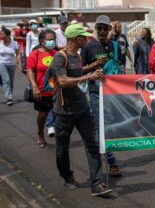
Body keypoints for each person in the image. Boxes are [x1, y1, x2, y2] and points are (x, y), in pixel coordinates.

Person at [50, 24, 112, 196]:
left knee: (92, 145)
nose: (86, 39)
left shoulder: (76, 56)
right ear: (75, 39)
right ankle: (67, 176)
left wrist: (93, 66)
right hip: (64, 112)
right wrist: (89, 76)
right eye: (84, 37)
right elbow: (62, 81)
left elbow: (77, 71)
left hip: (82, 108)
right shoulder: (59, 57)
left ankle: (97, 184)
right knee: (62, 149)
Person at [81, 15, 122, 177]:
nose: (102, 31)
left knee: (111, 126)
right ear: (95, 29)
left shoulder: (115, 46)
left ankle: (105, 157)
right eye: (99, 28)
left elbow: (119, 68)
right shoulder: (88, 46)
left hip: (112, 93)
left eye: (105, 28)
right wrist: (94, 66)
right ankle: (109, 162)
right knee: (100, 127)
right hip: (96, 93)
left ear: (110, 29)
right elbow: (81, 69)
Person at [26, 30, 57, 147]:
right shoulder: (35, 54)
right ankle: (40, 134)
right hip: (41, 91)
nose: (52, 41)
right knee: (43, 114)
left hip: (56, 91)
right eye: (49, 39)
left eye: (54, 39)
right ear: (42, 41)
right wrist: (34, 87)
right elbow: (30, 71)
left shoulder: (57, 54)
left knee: (59, 116)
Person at [0, 27, 22, 105]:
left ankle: (10, 96)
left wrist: (19, 64)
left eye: (2, 34)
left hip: (12, 65)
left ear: (8, 35)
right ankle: (9, 98)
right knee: (7, 81)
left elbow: (18, 54)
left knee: (11, 81)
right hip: (2, 64)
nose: (1, 36)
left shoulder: (14, 43)